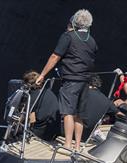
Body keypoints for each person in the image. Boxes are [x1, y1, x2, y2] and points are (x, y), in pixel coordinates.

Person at [36, 9, 98, 150]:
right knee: (79, 114)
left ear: (74, 22)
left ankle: (67, 144)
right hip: (85, 81)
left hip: (71, 79)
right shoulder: (92, 40)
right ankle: (77, 146)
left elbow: (55, 56)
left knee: (68, 112)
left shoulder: (68, 36)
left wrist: (42, 74)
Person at [79, 75, 121, 141]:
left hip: (76, 132)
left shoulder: (80, 94)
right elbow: (119, 114)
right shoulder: (106, 100)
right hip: (88, 135)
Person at [21, 70, 59, 140]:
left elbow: (30, 118)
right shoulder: (49, 92)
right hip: (55, 129)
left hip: (42, 132)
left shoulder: (32, 95)